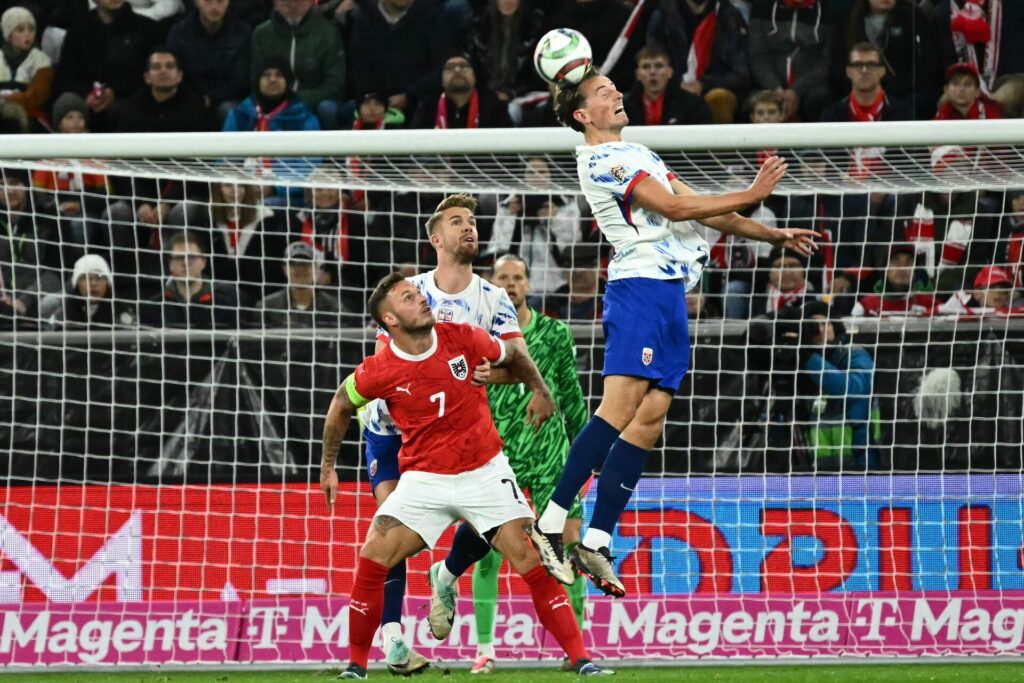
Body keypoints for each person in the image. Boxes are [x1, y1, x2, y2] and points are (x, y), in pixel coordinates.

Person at [537, 65, 817, 596]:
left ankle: (595, 538)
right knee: (618, 408)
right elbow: (675, 206)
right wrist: (751, 189)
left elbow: (705, 215)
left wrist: (772, 233)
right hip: (638, 287)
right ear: (581, 114)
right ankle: (550, 522)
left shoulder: (638, 152)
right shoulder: (602, 159)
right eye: (603, 91)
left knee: (651, 416)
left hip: (668, 291)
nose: (617, 93)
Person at [320, 274, 610, 679]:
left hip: (484, 472)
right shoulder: (379, 368)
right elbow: (339, 404)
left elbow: (514, 355)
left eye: (418, 292)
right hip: (423, 478)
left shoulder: (462, 336)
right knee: (373, 554)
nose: (421, 299)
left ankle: (581, 659)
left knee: (531, 557)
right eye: (408, 298)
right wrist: (328, 466)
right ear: (390, 320)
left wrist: (540, 390)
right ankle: (356, 665)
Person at [354, 193, 560, 676]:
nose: (469, 227)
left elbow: (511, 362)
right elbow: (393, 366)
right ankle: (393, 640)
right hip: (395, 429)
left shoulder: (491, 299)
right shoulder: (411, 292)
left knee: (489, 515)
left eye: (472, 220)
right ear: (436, 237)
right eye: (456, 221)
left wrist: (522, 383)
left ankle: (446, 574)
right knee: (389, 531)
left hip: (464, 426)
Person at [466, 254, 589, 674]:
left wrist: (587, 452)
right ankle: (484, 649)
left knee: (570, 548)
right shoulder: (477, 336)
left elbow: (570, 392)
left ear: (529, 285)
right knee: (487, 555)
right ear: (491, 286)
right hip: (497, 458)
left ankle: (578, 650)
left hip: (552, 454)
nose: (511, 284)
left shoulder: (554, 332)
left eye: (518, 277)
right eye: (503, 278)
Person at [774, 300, 877, 471]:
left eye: (825, 323)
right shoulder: (797, 362)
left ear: (835, 326)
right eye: (814, 325)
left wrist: (806, 357)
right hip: (816, 471)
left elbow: (853, 389)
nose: (820, 329)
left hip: (861, 467)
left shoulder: (854, 353)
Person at [53, 0, 158, 128]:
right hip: (88, 118)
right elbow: (65, 77)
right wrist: (86, 95)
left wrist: (117, 93)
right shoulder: (78, 32)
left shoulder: (148, 29)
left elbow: (153, 77)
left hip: (135, 117)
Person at [828, 0, 941, 118]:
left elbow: (928, 62)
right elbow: (838, 66)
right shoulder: (848, 19)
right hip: (858, 91)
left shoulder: (913, 15)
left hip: (904, 93)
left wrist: (897, 88)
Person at [250, 0, 345, 128]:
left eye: (299, 1)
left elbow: (335, 84)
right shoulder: (262, 34)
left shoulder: (328, 33)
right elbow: (255, 78)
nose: (293, 5)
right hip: (272, 100)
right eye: (286, 1)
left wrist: (296, 100)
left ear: (312, 2)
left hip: (314, 102)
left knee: (328, 109)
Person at [749, 0, 833, 122]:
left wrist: (796, 90)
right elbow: (758, 57)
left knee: (819, 98)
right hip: (770, 83)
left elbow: (827, 62)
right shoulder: (762, 8)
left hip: (808, 85)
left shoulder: (829, 12)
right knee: (750, 104)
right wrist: (775, 88)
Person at [166, 0, 252, 120]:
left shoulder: (242, 32)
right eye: (208, 1)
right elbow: (175, 72)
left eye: (220, 1)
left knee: (229, 110)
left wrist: (212, 98)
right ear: (196, 3)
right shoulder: (179, 32)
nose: (214, 7)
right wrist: (197, 98)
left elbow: (241, 79)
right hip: (189, 97)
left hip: (229, 98)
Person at [139, 230, 239, 328]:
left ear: (203, 262)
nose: (185, 263)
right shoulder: (154, 307)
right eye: (179, 258)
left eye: (191, 257)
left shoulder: (226, 303)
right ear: (170, 264)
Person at [110, 46, 213, 132]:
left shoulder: (196, 110)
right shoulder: (130, 110)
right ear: (147, 77)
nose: (163, 71)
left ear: (180, 76)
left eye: (170, 66)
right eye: (156, 67)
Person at [251, 240, 345, 328]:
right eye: (293, 264)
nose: (300, 269)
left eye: (305, 263)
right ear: (284, 269)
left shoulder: (334, 309)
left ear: (316, 268)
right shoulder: (266, 308)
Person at [410, 51, 512, 129]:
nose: (457, 71)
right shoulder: (429, 106)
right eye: (450, 67)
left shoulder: (493, 103)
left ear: (474, 77)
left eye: (463, 66)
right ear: (441, 79)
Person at [38, 253, 137, 329]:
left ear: (108, 283)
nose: (93, 283)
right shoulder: (59, 313)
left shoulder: (123, 313)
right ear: (76, 283)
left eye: (99, 278)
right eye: (85, 277)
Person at [623, 45, 713, 126]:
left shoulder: (693, 105)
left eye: (658, 66)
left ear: (670, 72)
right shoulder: (622, 107)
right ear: (638, 74)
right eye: (646, 67)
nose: (652, 72)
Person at [852, 242, 938, 317]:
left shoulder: (932, 305)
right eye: (895, 261)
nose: (903, 267)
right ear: (885, 269)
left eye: (909, 262)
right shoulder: (865, 306)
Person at [0, 6, 52, 127]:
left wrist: (8, 100)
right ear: (9, 35)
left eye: (31, 29)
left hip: (30, 116)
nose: (27, 34)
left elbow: (37, 95)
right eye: (20, 30)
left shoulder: (42, 61)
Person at [937, 265, 1020, 316]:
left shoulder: (1012, 313)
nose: (999, 291)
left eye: (1004, 288)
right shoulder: (961, 305)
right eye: (993, 286)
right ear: (978, 293)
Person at [934, 61, 1003, 120]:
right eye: (955, 84)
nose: (961, 89)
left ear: (977, 92)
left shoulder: (991, 112)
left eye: (967, 84)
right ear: (946, 90)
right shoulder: (942, 114)